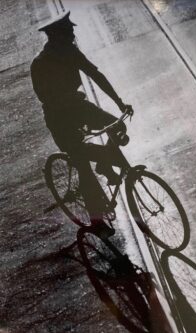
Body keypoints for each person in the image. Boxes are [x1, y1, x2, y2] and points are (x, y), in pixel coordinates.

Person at [31, 11, 134, 236]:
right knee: (84, 168)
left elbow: (95, 75)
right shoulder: (39, 64)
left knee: (117, 125)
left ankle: (106, 164)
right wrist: (71, 110)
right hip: (60, 120)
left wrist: (119, 103)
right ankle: (97, 222)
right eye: (68, 33)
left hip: (78, 109)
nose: (72, 36)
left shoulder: (71, 53)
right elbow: (46, 98)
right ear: (56, 37)